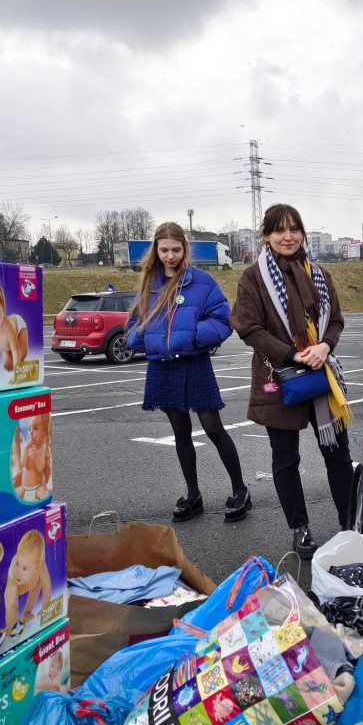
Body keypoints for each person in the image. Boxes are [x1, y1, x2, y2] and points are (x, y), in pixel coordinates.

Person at [231, 204, 353, 559]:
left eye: (294, 229)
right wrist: (292, 354)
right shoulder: (253, 278)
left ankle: (350, 525)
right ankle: (300, 528)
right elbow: (249, 328)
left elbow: (336, 320)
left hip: (321, 374)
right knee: (285, 458)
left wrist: (324, 346)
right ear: (266, 235)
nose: (288, 236)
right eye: (279, 230)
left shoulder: (320, 275)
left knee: (338, 456)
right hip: (279, 376)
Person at [127, 221, 251, 523]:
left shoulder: (202, 281)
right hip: (162, 365)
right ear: (156, 250)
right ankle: (193, 495)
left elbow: (223, 320)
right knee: (180, 432)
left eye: (176, 249)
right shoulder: (149, 282)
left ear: (185, 249)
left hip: (194, 363)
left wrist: (194, 335)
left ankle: (240, 491)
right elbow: (133, 325)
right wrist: (143, 338)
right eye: (164, 250)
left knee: (213, 428)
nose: (170, 256)